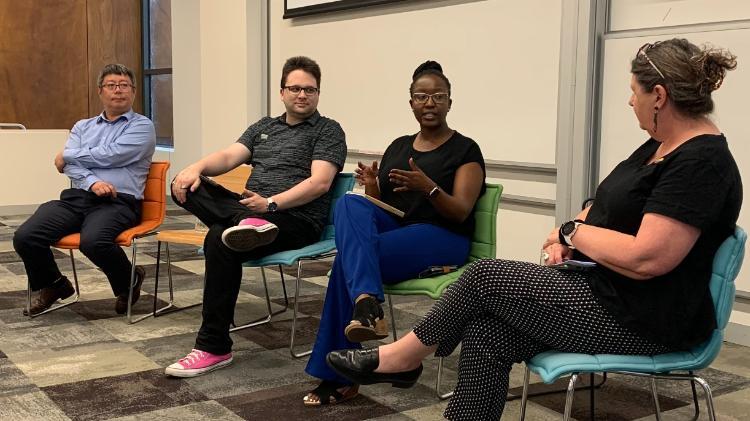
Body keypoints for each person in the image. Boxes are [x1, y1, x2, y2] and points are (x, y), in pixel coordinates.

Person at [326, 38, 742, 420]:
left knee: (485, 277)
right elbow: (604, 204)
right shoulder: (659, 146)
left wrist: (571, 234)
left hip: (644, 318)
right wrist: (577, 227)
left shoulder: (700, 162)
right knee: (487, 332)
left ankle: (404, 357)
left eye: (634, 92)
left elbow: (648, 257)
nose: (629, 101)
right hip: (604, 291)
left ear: (659, 97)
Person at [302, 61, 486, 406]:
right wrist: (372, 186)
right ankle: (368, 303)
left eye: (438, 96)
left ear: (449, 102)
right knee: (348, 205)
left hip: (443, 237)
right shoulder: (399, 146)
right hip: (401, 231)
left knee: (346, 264)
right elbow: (381, 207)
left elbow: (461, 210)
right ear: (411, 103)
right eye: (421, 96)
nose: (429, 103)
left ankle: (342, 362)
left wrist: (429, 187)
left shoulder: (465, 150)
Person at [165, 56, 347, 377]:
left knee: (218, 240)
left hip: (294, 220)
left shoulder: (328, 131)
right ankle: (243, 223)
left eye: (310, 89)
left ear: (318, 94)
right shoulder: (264, 127)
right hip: (251, 213)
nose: (302, 95)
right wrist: (194, 168)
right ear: (281, 92)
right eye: (295, 88)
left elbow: (319, 183)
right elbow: (227, 156)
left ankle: (213, 347)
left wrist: (271, 205)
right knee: (185, 183)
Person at [13, 64, 156, 316]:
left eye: (124, 86)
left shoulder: (142, 126)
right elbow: (71, 168)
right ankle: (54, 285)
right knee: (26, 236)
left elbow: (113, 155)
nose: (118, 91)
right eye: (111, 85)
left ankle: (129, 281)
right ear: (100, 91)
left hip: (119, 202)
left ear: (133, 92)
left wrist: (67, 154)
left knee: (94, 242)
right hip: (78, 198)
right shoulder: (83, 126)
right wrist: (92, 182)